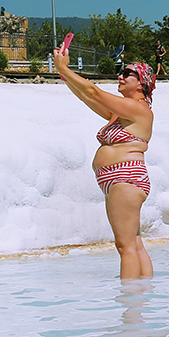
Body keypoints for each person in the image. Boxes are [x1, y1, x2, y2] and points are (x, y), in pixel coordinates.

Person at [52, 33, 155, 280]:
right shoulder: (120, 113)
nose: (120, 76)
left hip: (125, 180)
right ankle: (142, 300)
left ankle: (130, 312)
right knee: (134, 243)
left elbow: (94, 91)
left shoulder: (138, 108)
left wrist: (63, 68)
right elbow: (87, 96)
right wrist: (64, 73)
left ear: (141, 83)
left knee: (125, 246)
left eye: (127, 73)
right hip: (117, 182)